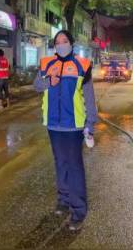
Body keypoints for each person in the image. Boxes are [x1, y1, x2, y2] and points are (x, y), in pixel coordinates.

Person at [34, 30, 98, 231]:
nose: (61, 44)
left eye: (64, 41)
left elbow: (89, 97)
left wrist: (90, 123)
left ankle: (78, 210)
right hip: (53, 123)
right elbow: (36, 85)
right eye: (57, 42)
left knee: (74, 166)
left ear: (71, 43)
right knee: (60, 163)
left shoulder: (82, 65)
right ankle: (63, 200)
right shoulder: (46, 64)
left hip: (73, 125)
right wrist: (49, 81)